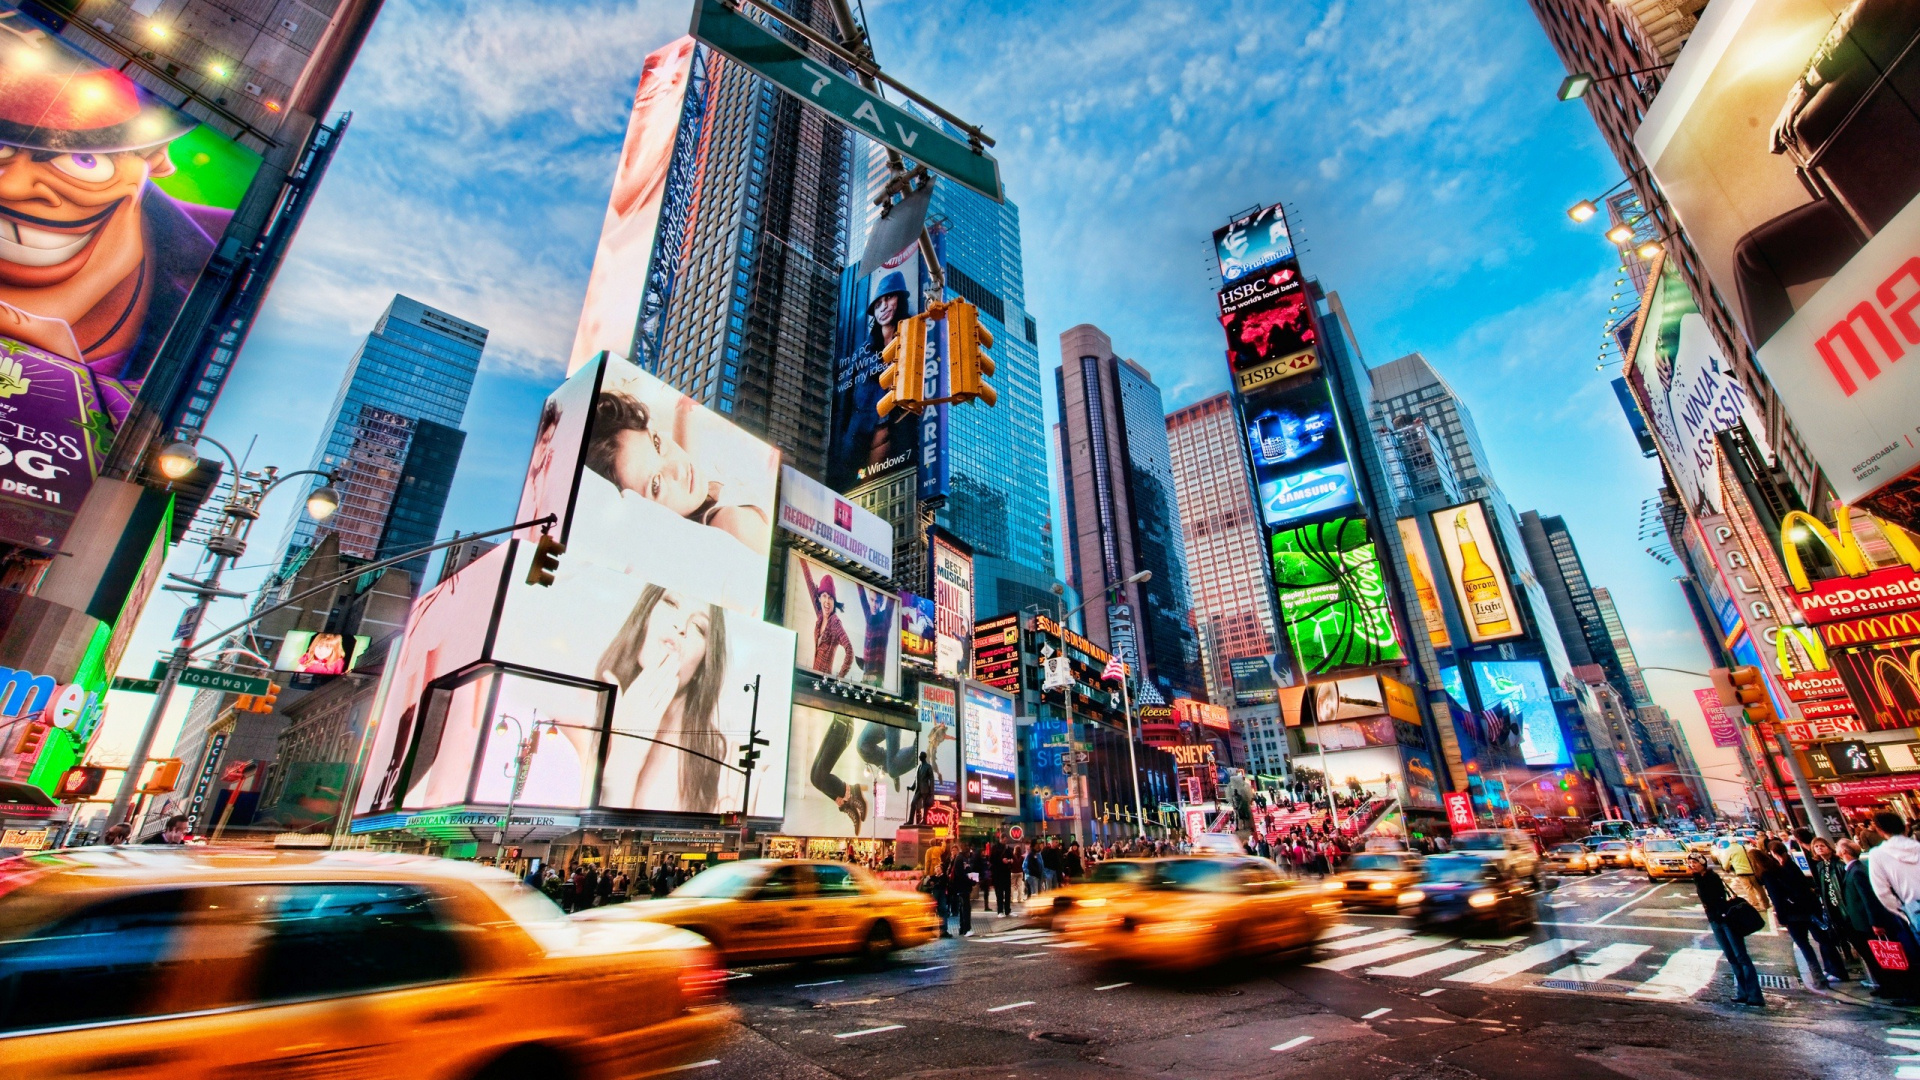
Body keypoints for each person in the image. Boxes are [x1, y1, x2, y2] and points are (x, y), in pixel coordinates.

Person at [594, 586, 730, 813]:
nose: (681, 626)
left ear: (704, 664)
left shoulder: (720, 761)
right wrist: (625, 752)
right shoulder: (584, 713)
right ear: (645, 615)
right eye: (671, 603)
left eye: (698, 626)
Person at [583, 390, 770, 554]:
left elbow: (684, 454)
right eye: (655, 484)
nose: (678, 469)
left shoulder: (690, 494)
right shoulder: (730, 523)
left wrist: (683, 410)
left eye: (656, 443)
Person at [1758, 841, 1848, 988]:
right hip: (1810, 909)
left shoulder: (1773, 872)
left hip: (1795, 914)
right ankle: (1837, 970)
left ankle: (1821, 975)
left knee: (1806, 944)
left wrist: (1781, 917)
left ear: (1773, 854)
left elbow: (1777, 897)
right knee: (1823, 940)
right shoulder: (1790, 866)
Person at [1843, 837, 1919, 1002]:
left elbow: (1868, 898)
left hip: (1872, 922)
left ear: (1844, 852)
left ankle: (1903, 990)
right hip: (1869, 922)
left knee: (1893, 958)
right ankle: (1892, 988)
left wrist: (1875, 922)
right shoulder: (1855, 869)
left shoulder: (1857, 871)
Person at [1691, 852, 1764, 1007]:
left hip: (1726, 920)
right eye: (1690, 863)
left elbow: (1717, 898)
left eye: (1695, 863)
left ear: (1702, 863)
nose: (1692, 865)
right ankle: (1742, 992)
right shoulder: (1698, 878)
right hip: (1715, 921)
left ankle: (1755, 995)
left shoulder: (1712, 877)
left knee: (1741, 956)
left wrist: (1719, 913)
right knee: (1731, 956)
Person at [799, 560, 856, 679]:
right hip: (813, 676)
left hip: (824, 680)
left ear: (834, 602)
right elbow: (809, 582)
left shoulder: (835, 623)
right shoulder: (820, 615)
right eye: (824, 596)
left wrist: (839, 678)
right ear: (819, 598)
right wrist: (801, 558)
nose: (827, 601)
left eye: (830, 598)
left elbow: (849, 651)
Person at [1869, 811, 1920, 931]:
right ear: (1905, 827)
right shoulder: (1917, 847)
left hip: (1914, 907)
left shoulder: (1877, 854)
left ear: (1880, 831)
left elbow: (1882, 892)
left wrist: (1904, 912)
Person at [945, 842, 976, 938]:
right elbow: (961, 874)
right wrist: (971, 880)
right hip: (963, 887)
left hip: (962, 887)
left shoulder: (960, 858)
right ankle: (966, 929)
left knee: (963, 908)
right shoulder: (960, 859)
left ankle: (963, 929)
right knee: (966, 908)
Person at [907, 751, 937, 826]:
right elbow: (917, 779)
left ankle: (924, 820)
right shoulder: (918, 767)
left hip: (925, 789)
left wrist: (931, 792)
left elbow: (932, 779)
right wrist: (912, 787)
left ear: (923, 757)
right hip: (918, 789)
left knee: (925, 805)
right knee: (913, 803)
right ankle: (910, 821)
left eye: (920, 756)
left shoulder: (928, 766)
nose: (919, 757)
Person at [991, 839, 1015, 917]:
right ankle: (1000, 911)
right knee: (1000, 893)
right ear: (1001, 839)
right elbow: (992, 860)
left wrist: (1011, 860)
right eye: (1004, 840)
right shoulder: (995, 848)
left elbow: (1012, 857)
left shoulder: (1007, 848)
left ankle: (1007, 910)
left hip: (1006, 873)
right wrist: (1001, 860)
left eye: (1005, 841)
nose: (1005, 842)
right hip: (998, 874)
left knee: (1007, 892)